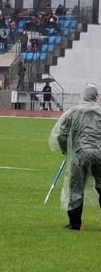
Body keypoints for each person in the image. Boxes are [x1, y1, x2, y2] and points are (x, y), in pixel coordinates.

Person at [49, 83, 101, 230]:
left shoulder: (73, 112)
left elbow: (62, 134)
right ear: (96, 96)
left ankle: (75, 223)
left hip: (80, 154)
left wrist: (65, 149)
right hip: (99, 153)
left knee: (76, 187)